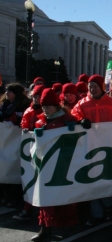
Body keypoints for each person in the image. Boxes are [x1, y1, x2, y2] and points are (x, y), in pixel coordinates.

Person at [71, 75, 112, 226]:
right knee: (92, 180)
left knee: (107, 179)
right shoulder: (82, 103)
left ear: (102, 88)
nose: (92, 89)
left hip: (109, 147)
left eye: (95, 86)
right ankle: (96, 213)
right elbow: (73, 116)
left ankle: (109, 209)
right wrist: (80, 120)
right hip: (89, 148)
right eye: (90, 86)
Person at [30, 88, 79, 241]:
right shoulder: (40, 121)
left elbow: (81, 137)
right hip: (45, 164)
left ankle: (67, 227)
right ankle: (45, 227)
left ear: (56, 106)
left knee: (64, 196)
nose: (45, 110)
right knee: (45, 196)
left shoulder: (68, 119)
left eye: (48, 107)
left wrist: (78, 126)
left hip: (63, 164)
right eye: (43, 107)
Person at [12, 85, 45, 221]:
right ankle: (27, 208)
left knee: (42, 181)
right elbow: (24, 124)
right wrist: (25, 129)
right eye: (35, 96)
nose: (36, 99)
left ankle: (43, 213)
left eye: (39, 97)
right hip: (30, 150)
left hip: (43, 151)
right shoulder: (28, 110)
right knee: (29, 179)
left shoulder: (48, 109)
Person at [0, 82, 31, 208]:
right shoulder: (4, 105)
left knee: (15, 168)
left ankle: (16, 197)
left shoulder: (23, 106)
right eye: (6, 91)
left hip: (18, 141)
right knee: (4, 168)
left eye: (10, 91)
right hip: (6, 141)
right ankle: (6, 195)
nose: (7, 93)